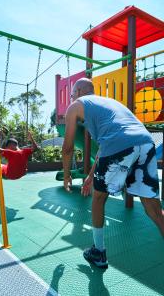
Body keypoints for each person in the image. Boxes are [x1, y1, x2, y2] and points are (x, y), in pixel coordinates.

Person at [62, 77, 164, 269]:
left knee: (98, 198)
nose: (71, 97)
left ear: (80, 92)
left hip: (120, 145)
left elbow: (67, 148)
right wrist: (91, 176)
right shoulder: (110, 104)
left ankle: (98, 253)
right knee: (153, 209)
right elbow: (103, 147)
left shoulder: (76, 106)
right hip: (146, 142)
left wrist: (66, 175)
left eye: (71, 93)